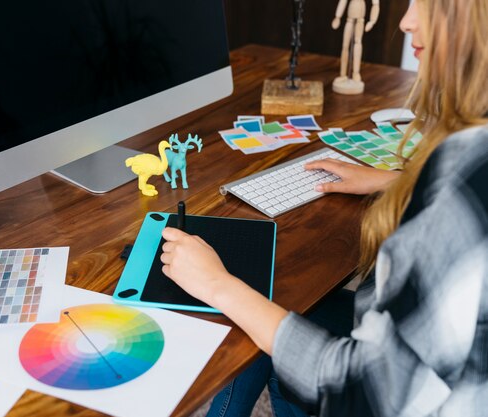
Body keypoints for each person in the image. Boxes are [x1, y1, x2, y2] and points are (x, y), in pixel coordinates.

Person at [161, 1, 488, 416]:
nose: (405, 21)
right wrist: (396, 181)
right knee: (265, 307)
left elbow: (363, 392)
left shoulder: (467, 166)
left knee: (249, 303)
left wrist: (216, 285)